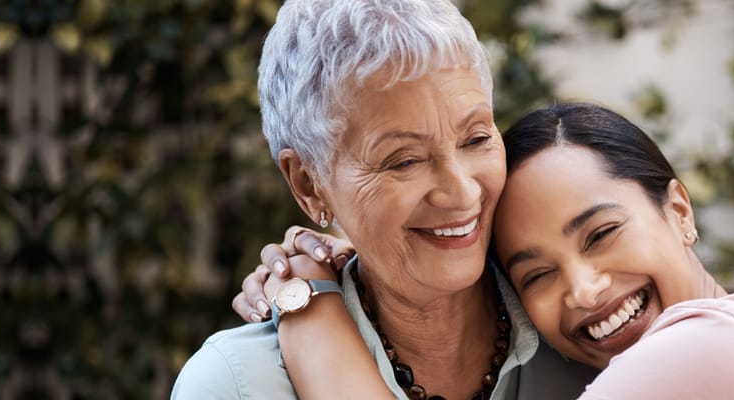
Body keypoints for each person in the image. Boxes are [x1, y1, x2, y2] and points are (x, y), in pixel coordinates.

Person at [242, 103, 734, 398]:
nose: (585, 290)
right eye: (536, 275)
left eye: (600, 234)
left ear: (678, 209)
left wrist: (311, 305)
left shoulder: (709, 348)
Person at [172, 0, 598, 398]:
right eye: (404, 161)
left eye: (477, 138)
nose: (462, 191)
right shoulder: (237, 384)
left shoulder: (590, 324)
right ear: (307, 182)